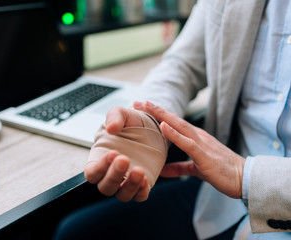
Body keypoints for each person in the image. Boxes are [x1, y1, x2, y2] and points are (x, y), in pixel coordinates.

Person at [53, 0, 291, 239]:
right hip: (224, 201)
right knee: (74, 233)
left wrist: (245, 175)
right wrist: (149, 121)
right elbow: (182, 64)